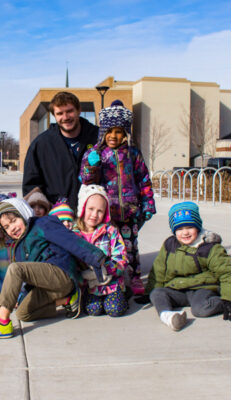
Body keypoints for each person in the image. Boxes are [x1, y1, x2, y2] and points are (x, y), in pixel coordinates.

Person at [0, 198, 107, 339]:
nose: (11, 228)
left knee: (15, 268)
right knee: (23, 313)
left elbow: (70, 240)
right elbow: (32, 275)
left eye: (14, 221)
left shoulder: (42, 223)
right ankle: (69, 300)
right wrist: (23, 296)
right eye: (6, 227)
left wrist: (95, 257)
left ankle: (2, 322)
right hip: (49, 286)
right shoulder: (18, 247)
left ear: (22, 213)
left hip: (61, 273)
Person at [79, 100, 156, 295]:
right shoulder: (95, 153)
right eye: (110, 131)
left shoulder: (132, 154)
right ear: (103, 132)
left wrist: (147, 204)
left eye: (119, 131)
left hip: (129, 210)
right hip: (106, 212)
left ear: (126, 133)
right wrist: (92, 166)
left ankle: (135, 276)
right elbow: (86, 180)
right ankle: (113, 276)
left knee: (131, 246)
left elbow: (144, 180)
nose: (114, 136)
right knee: (109, 246)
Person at [136, 202, 231, 331]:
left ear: (197, 227)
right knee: (157, 294)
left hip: (202, 288)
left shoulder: (209, 248)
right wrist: (150, 291)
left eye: (189, 227)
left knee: (200, 310)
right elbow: (159, 270)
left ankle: (219, 301)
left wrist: (230, 299)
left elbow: (228, 273)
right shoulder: (170, 244)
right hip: (178, 289)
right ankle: (168, 316)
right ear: (174, 231)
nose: (185, 233)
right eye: (179, 229)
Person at [22, 91, 99, 209]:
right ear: (54, 115)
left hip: (94, 215)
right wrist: (46, 211)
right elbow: (31, 187)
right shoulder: (41, 144)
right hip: (57, 216)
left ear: (79, 110)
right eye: (60, 113)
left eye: (69, 111)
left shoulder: (98, 138)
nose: (65, 117)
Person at [73, 185, 129, 317]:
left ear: (105, 213)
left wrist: (107, 270)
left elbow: (122, 258)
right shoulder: (75, 235)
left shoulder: (110, 232)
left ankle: (124, 295)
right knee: (93, 310)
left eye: (100, 211)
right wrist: (83, 276)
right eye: (91, 209)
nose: (94, 215)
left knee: (114, 309)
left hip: (111, 282)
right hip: (90, 286)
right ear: (83, 208)